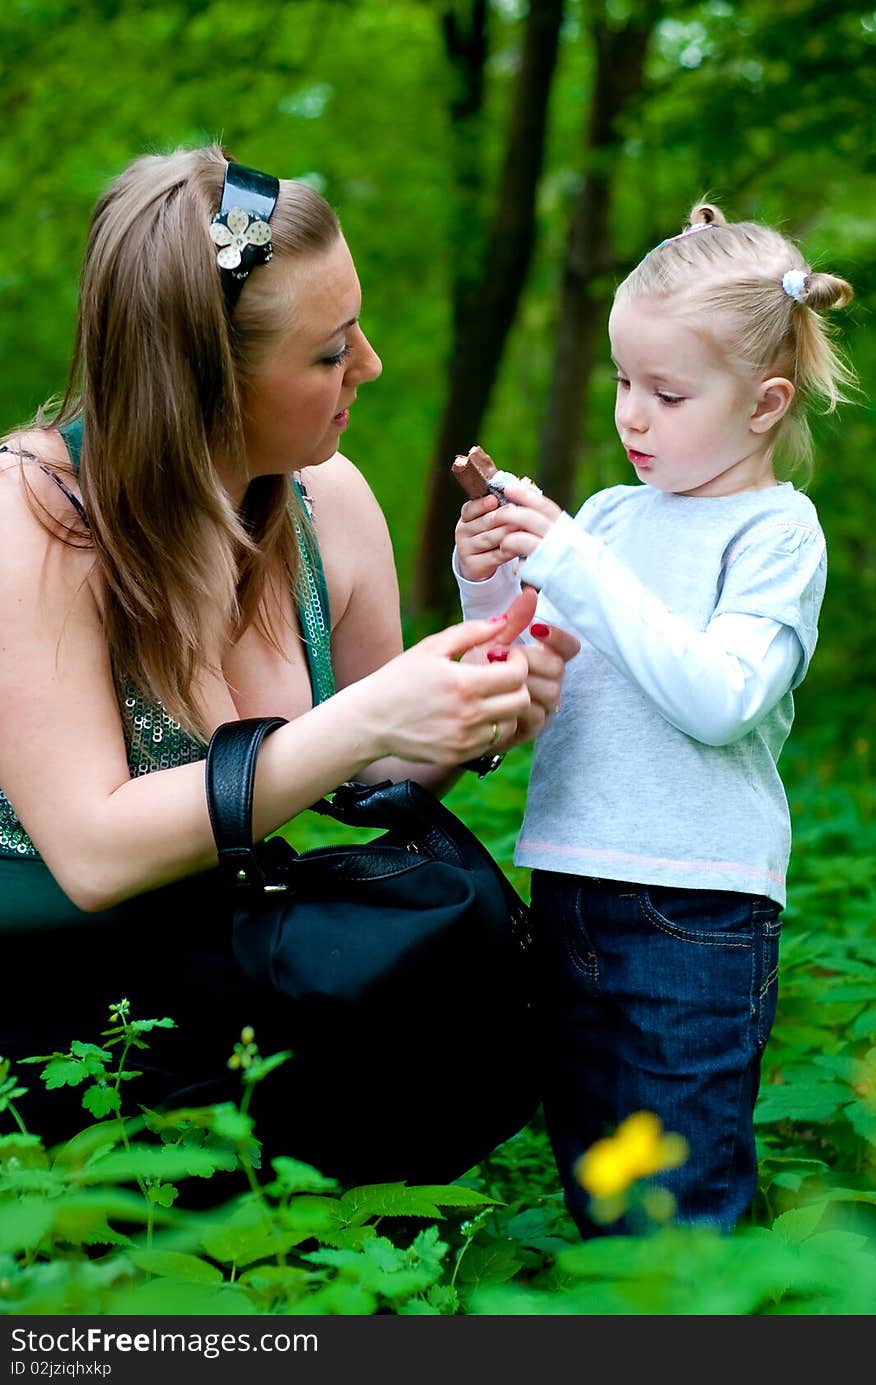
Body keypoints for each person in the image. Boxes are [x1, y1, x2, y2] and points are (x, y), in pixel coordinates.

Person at [0, 144, 578, 1145]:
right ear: (204, 385)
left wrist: (470, 710)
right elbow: (92, 851)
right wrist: (366, 717)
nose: (370, 366)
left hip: (230, 974)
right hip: (45, 1026)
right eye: (329, 351)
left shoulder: (328, 500)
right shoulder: (32, 521)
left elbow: (358, 778)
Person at [452, 202, 855, 1237]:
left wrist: (579, 564)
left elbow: (718, 699)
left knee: (678, 1199)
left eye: (667, 393)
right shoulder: (608, 518)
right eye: (624, 382)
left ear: (765, 404)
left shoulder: (775, 530)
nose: (634, 415)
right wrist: (486, 575)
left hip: (697, 912)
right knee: (599, 1181)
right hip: (572, 884)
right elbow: (517, 676)